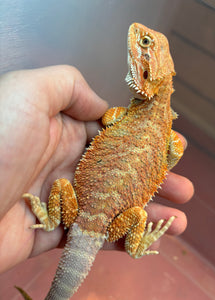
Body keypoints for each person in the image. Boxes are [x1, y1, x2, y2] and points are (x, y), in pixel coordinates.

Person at [0, 65, 194, 274]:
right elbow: (174, 153)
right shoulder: (168, 136)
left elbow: (108, 118)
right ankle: (134, 247)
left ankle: (51, 221)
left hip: (79, 214)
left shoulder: (127, 115)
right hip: (106, 225)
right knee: (138, 215)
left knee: (64, 186)